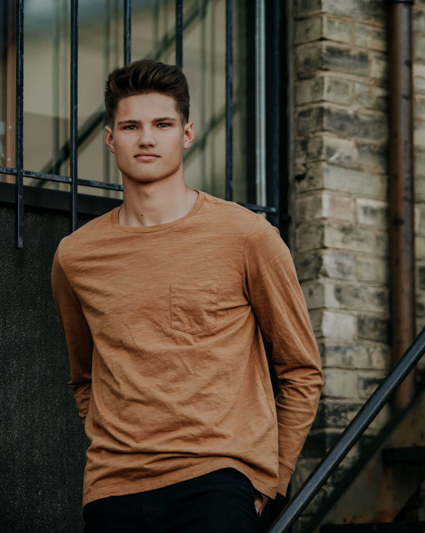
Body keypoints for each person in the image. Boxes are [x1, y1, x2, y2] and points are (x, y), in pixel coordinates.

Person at [50, 58, 324, 532]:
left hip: (217, 483)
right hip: (112, 490)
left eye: (163, 124)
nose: (147, 138)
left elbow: (301, 370)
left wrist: (267, 483)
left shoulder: (245, 236)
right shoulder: (76, 255)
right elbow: (84, 377)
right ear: (112, 139)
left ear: (187, 134)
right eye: (131, 126)